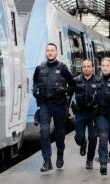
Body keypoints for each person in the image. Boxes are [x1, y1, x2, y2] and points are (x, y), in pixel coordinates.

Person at [33, 43, 75, 172]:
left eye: (52, 50)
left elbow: (72, 84)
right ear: (46, 53)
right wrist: (35, 92)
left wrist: (65, 93)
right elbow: (34, 82)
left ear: (56, 52)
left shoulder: (62, 68)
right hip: (45, 105)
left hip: (59, 105)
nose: (50, 53)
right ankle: (47, 161)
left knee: (59, 134)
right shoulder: (39, 68)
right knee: (44, 133)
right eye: (48, 51)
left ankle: (60, 155)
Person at [71, 60, 101, 169]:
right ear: (82, 68)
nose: (86, 68)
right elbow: (68, 94)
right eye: (84, 66)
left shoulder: (99, 80)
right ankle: (82, 143)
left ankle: (89, 160)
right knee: (79, 138)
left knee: (93, 138)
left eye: (89, 66)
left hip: (93, 114)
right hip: (80, 113)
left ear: (93, 67)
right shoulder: (76, 81)